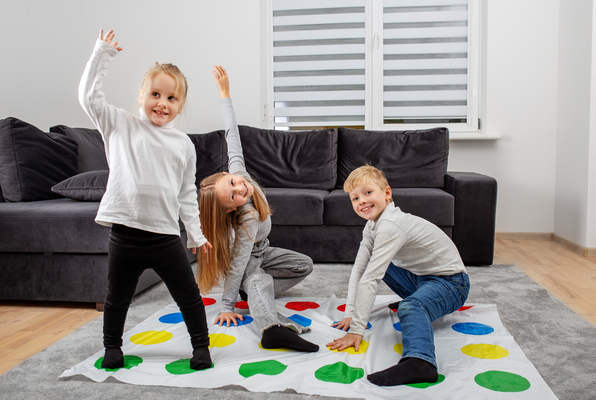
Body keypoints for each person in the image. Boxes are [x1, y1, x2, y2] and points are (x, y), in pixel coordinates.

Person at [79, 29, 212, 370]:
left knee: (189, 297)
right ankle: (113, 347)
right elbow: (87, 98)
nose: (161, 104)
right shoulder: (119, 125)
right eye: (155, 94)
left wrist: (195, 234)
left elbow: (186, 194)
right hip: (125, 234)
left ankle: (201, 347)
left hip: (166, 236)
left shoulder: (184, 145)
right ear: (141, 95)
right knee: (117, 299)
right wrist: (102, 54)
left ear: (181, 105)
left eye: (171, 98)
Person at [197, 65, 318, 353]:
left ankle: (251, 290)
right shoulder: (247, 219)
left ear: (229, 173)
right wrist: (226, 306)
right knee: (256, 277)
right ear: (230, 210)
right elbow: (238, 261)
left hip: (264, 250)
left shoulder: (241, 173)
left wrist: (225, 94)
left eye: (233, 183)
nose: (241, 189)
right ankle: (272, 329)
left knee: (304, 264)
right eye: (234, 196)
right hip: (249, 256)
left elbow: (232, 137)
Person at [326, 165, 470, 386]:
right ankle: (420, 301)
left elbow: (371, 278)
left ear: (387, 193)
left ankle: (421, 362)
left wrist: (357, 331)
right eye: (355, 198)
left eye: (367, 192)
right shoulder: (372, 225)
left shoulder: (391, 224)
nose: (361, 201)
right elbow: (360, 270)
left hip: (451, 283)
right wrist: (352, 314)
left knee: (410, 307)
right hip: (421, 278)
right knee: (373, 266)